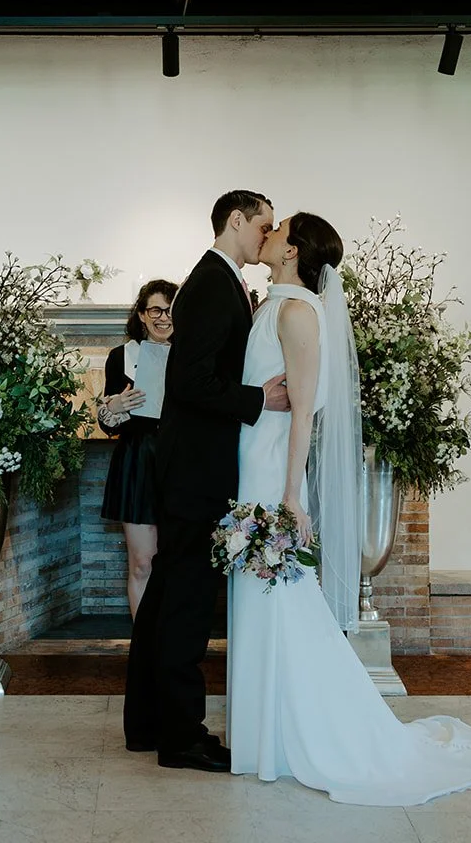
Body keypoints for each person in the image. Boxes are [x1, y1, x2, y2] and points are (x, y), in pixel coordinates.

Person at [227, 211, 471, 806]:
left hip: (272, 476)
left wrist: (290, 494)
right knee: (262, 601)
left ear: (294, 250)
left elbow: (305, 409)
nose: (268, 233)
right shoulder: (270, 304)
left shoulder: (298, 312)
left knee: (281, 600)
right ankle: (264, 736)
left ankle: (302, 735)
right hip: (251, 464)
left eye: (278, 228)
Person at [123, 189, 290, 772]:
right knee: (187, 605)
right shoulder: (214, 284)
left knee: (169, 594)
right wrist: (258, 399)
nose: (266, 237)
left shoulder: (218, 280)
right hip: (196, 470)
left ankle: (148, 723)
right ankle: (182, 738)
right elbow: (191, 383)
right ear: (236, 221)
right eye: (262, 226)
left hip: (189, 463)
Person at [98, 279, 177, 617]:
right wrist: (115, 406)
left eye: (170, 310)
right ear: (142, 315)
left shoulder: (192, 355)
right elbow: (105, 422)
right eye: (156, 310)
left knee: (177, 565)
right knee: (143, 563)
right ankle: (145, 649)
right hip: (138, 461)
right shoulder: (122, 356)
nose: (164, 317)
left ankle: (173, 648)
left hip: (181, 461)